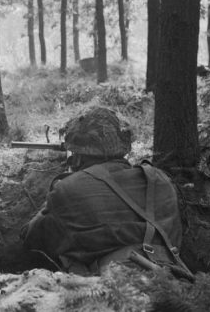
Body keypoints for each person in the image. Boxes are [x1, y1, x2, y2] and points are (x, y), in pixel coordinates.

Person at [21, 107, 190, 277]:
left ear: (77, 157)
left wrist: (56, 193)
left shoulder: (68, 189)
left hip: (113, 289)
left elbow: (31, 238)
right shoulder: (159, 179)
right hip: (173, 278)